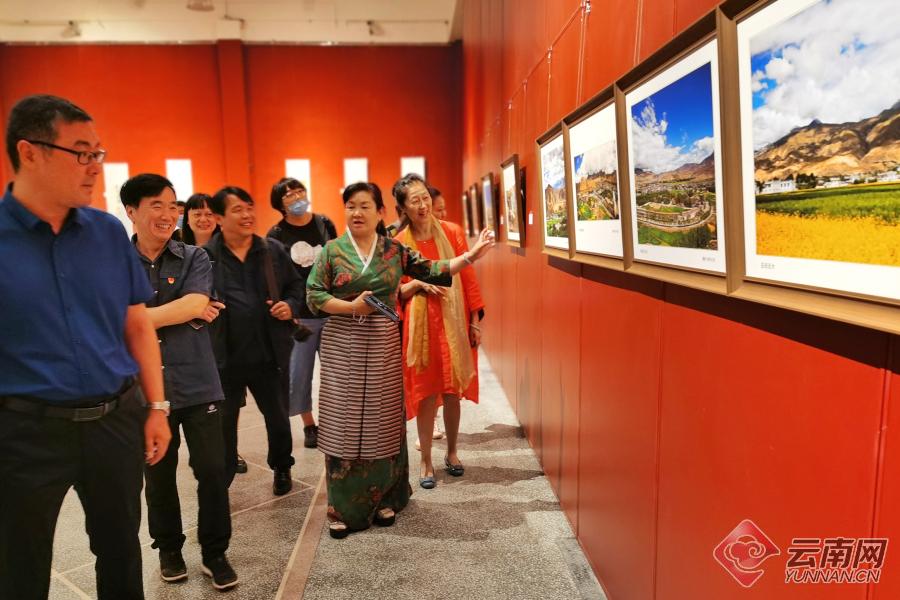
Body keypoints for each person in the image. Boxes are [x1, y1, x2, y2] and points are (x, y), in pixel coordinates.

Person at [0, 94, 171, 599]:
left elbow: (136, 323)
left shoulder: (106, 232)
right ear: (30, 152)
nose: (96, 166)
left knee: (121, 552)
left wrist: (157, 407)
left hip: (114, 422)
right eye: (81, 152)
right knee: (20, 566)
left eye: (99, 152)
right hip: (24, 433)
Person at [306, 181, 495, 538]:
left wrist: (470, 255)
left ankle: (385, 498)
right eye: (350, 206)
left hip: (382, 341)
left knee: (383, 419)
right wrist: (350, 306)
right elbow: (313, 295)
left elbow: (433, 269)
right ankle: (341, 507)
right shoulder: (331, 251)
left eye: (365, 206)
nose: (357, 212)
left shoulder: (394, 250)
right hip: (343, 343)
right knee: (345, 420)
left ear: (380, 212)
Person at [121, 174, 237, 591]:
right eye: (157, 205)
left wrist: (135, 319)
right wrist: (182, 311)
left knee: (213, 471)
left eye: (173, 206)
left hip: (199, 382)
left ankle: (215, 552)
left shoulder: (194, 257)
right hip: (146, 389)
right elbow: (111, 317)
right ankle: (168, 549)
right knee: (158, 475)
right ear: (131, 211)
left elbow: (195, 302)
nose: (169, 214)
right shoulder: (117, 263)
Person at [205, 186, 302, 495]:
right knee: (223, 424)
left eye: (249, 208)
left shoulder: (272, 250)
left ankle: (282, 466)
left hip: (268, 353)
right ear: (219, 218)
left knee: (277, 417)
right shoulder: (206, 257)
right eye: (238, 210)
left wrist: (290, 305)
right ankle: (223, 476)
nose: (247, 215)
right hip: (225, 357)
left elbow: (296, 287)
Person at [394, 175, 485, 489]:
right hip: (421, 327)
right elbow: (397, 291)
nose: (423, 205)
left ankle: (453, 451)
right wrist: (419, 283)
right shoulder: (398, 243)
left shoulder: (452, 232)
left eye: (425, 198)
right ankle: (426, 460)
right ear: (403, 208)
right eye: (414, 200)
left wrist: (475, 319)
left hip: (454, 321)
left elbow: (468, 277)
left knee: (452, 390)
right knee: (426, 392)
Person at [266, 177, 337, 448]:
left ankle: (334, 420)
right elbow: (273, 278)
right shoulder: (276, 235)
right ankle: (309, 424)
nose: (297, 197)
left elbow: (339, 259)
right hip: (299, 315)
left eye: (299, 191)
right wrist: (287, 308)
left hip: (331, 310)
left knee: (335, 372)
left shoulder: (324, 223)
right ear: (279, 203)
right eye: (289, 195)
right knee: (300, 373)